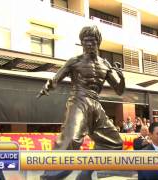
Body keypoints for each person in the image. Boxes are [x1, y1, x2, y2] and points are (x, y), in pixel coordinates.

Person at [38, 25, 125, 180]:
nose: (89, 44)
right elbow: (56, 78)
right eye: (85, 41)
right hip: (78, 100)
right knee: (71, 139)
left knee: (114, 142)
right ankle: (49, 176)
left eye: (92, 41)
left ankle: (86, 173)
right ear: (82, 43)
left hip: (95, 104)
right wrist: (48, 86)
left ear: (98, 42)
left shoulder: (105, 64)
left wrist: (122, 78)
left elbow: (119, 90)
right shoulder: (74, 61)